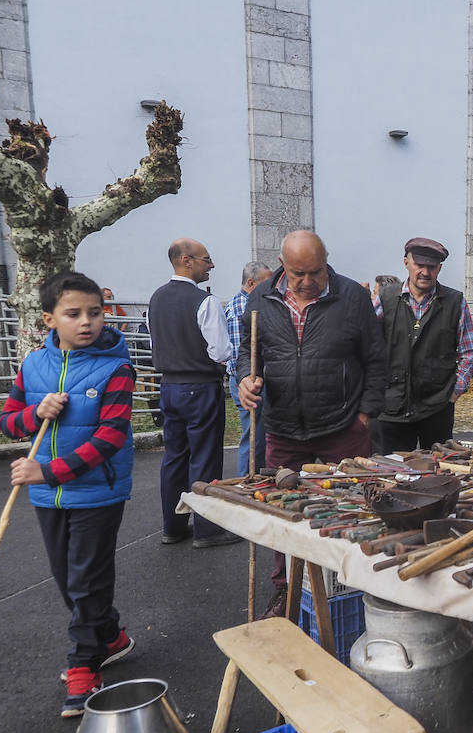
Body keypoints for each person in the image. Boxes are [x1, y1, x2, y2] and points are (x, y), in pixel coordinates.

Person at [0, 272, 137, 717]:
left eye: (94, 313)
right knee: (67, 579)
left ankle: (84, 665)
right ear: (48, 319)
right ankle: (109, 634)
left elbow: (110, 438)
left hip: (97, 493)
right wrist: (34, 412)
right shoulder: (33, 366)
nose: (86, 322)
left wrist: (48, 471)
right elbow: (7, 421)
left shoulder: (115, 368)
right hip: (47, 497)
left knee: (86, 580)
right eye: (73, 314)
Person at [237, 230, 385, 619]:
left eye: (315, 272)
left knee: (354, 506)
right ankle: (284, 590)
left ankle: (356, 585)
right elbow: (247, 352)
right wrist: (244, 380)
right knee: (282, 513)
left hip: (343, 425)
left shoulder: (351, 296)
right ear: (283, 265)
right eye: (297, 272)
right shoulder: (261, 297)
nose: (306, 281)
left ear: (326, 261)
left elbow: (376, 358)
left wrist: (365, 413)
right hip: (283, 426)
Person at [149, 239, 239, 548]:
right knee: (204, 457)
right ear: (187, 261)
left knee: (174, 457)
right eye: (206, 259)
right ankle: (207, 528)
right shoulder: (204, 301)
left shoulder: (156, 298)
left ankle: (172, 526)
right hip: (199, 386)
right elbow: (220, 351)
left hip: (169, 385)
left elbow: (154, 343)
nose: (211, 265)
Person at [374, 237, 473, 453]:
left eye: (431, 267)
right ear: (406, 262)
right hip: (391, 407)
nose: (425, 272)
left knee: (438, 471)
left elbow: (469, 352)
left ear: (439, 268)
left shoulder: (454, 302)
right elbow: (366, 346)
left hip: (437, 407)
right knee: (393, 472)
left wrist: (454, 392)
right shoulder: (385, 299)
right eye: (419, 265)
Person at [225, 261, 272, 478]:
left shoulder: (253, 304)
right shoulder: (240, 309)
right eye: (267, 281)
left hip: (254, 379)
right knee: (253, 436)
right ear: (252, 282)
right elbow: (240, 355)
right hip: (247, 382)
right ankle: (247, 480)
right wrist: (247, 381)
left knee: (260, 435)